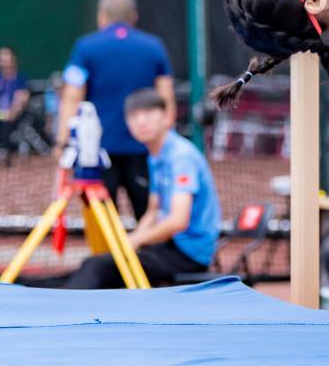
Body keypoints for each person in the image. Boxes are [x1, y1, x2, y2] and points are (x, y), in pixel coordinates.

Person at [64, 89, 220, 288]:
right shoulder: (156, 156)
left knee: (98, 267)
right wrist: (130, 241)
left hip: (189, 255)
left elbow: (178, 221)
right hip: (168, 247)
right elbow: (153, 212)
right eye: (134, 116)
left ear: (167, 117)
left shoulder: (180, 157)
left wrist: (134, 242)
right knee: (101, 264)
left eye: (148, 113)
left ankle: (61, 314)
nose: (141, 121)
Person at [57, 0, 175, 220]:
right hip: (144, 147)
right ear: (134, 17)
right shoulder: (154, 47)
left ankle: (105, 258)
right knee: (150, 216)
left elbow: (72, 97)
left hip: (97, 152)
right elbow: (166, 99)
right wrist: (164, 142)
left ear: (102, 16)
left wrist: (62, 141)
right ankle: (148, 256)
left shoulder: (85, 47)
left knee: (102, 222)